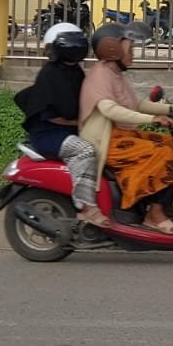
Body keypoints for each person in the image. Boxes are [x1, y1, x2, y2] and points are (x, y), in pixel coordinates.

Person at [78, 23, 173, 234]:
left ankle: (161, 202)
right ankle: (154, 215)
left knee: (170, 144)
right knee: (162, 155)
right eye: (131, 50)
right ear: (113, 50)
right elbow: (110, 110)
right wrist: (153, 119)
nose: (133, 55)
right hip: (107, 141)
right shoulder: (100, 76)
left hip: (120, 134)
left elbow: (135, 104)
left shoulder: (114, 73)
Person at [13, 23, 109, 228]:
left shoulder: (75, 72)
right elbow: (53, 117)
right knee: (85, 150)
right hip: (49, 134)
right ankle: (87, 207)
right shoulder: (50, 75)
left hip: (69, 130)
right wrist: (82, 123)